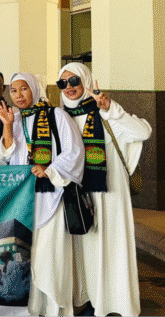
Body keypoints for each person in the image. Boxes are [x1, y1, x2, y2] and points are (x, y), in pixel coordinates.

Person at [58, 62, 151, 317]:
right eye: (63, 83)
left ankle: (115, 303)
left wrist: (110, 109)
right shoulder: (60, 118)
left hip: (109, 194)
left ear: (86, 82)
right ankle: (90, 299)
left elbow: (142, 132)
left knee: (112, 247)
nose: (69, 87)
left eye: (74, 81)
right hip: (78, 196)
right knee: (84, 249)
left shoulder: (104, 112)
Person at [0, 73, 84, 316]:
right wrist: (7, 125)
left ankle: (55, 308)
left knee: (51, 255)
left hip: (50, 195)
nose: (19, 95)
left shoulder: (56, 116)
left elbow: (73, 151)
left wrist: (50, 170)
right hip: (24, 199)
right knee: (25, 256)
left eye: (24, 89)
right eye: (14, 90)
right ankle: (31, 309)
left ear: (34, 89)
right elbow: (6, 154)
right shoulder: (14, 118)